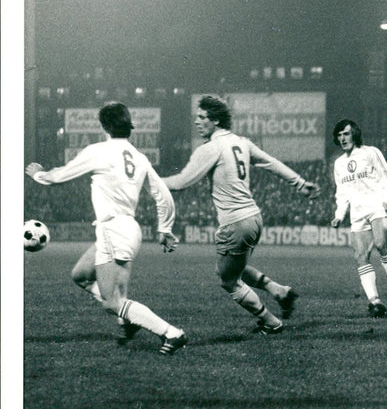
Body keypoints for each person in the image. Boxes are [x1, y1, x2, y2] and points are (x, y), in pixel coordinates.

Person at [25, 102, 187, 355]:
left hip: (114, 230)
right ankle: (129, 321)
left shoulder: (99, 151)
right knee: (80, 275)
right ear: (129, 126)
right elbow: (163, 195)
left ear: (103, 126)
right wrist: (164, 229)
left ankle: (171, 332)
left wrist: (38, 175)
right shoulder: (139, 157)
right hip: (126, 228)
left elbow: (60, 177)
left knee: (112, 302)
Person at [162, 95, 320, 335]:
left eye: (202, 117)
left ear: (214, 120)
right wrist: (299, 183)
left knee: (228, 280)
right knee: (232, 268)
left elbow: (182, 182)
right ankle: (280, 292)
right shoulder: (241, 142)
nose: (197, 122)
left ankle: (270, 322)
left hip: (235, 223)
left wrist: (149, 181)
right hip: (254, 218)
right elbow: (271, 162)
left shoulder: (211, 148)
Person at [331, 119, 387, 317]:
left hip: (377, 206)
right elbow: (342, 193)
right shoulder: (339, 164)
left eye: (346, 134)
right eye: (339, 135)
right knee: (361, 256)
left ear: (354, 134)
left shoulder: (370, 152)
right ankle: (375, 301)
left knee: (381, 245)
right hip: (357, 213)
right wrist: (339, 215)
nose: (342, 138)